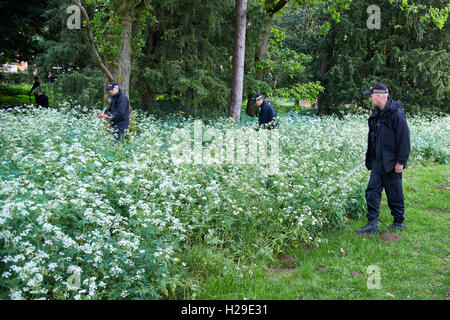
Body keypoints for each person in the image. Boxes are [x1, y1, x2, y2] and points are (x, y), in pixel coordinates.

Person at [357, 83, 410, 234]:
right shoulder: (377, 113)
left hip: (392, 163)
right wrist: (370, 152)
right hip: (377, 162)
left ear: (379, 96)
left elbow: (404, 140)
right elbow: (373, 136)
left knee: (394, 193)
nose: (369, 98)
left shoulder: (396, 114)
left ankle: (398, 222)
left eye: (371, 95)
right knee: (371, 192)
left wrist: (401, 161)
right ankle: (372, 224)